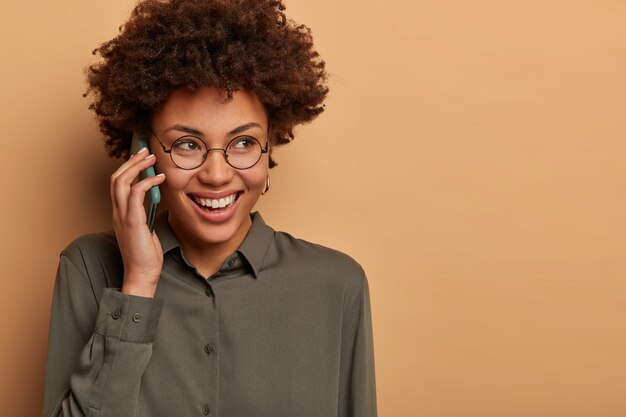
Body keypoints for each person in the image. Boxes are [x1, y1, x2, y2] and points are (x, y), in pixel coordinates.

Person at [43, 1, 377, 416]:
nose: (217, 174)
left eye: (243, 143)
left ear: (269, 147)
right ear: (143, 153)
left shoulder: (337, 284)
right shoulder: (89, 269)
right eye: (187, 144)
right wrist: (138, 285)